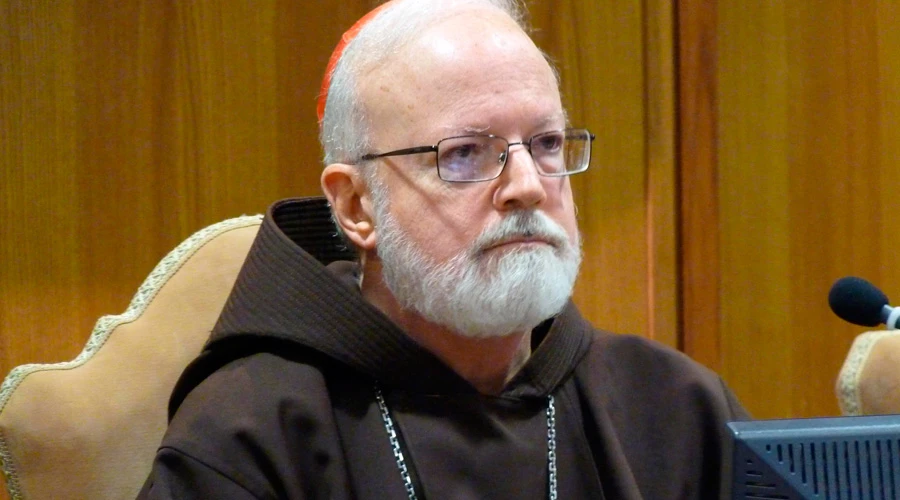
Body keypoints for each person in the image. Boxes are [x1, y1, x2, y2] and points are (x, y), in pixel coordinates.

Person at [138, 0, 749, 498]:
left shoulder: (678, 410)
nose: (528, 186)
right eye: (464, 153)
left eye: (546, 143)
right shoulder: (251, 431)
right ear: (356, 207)